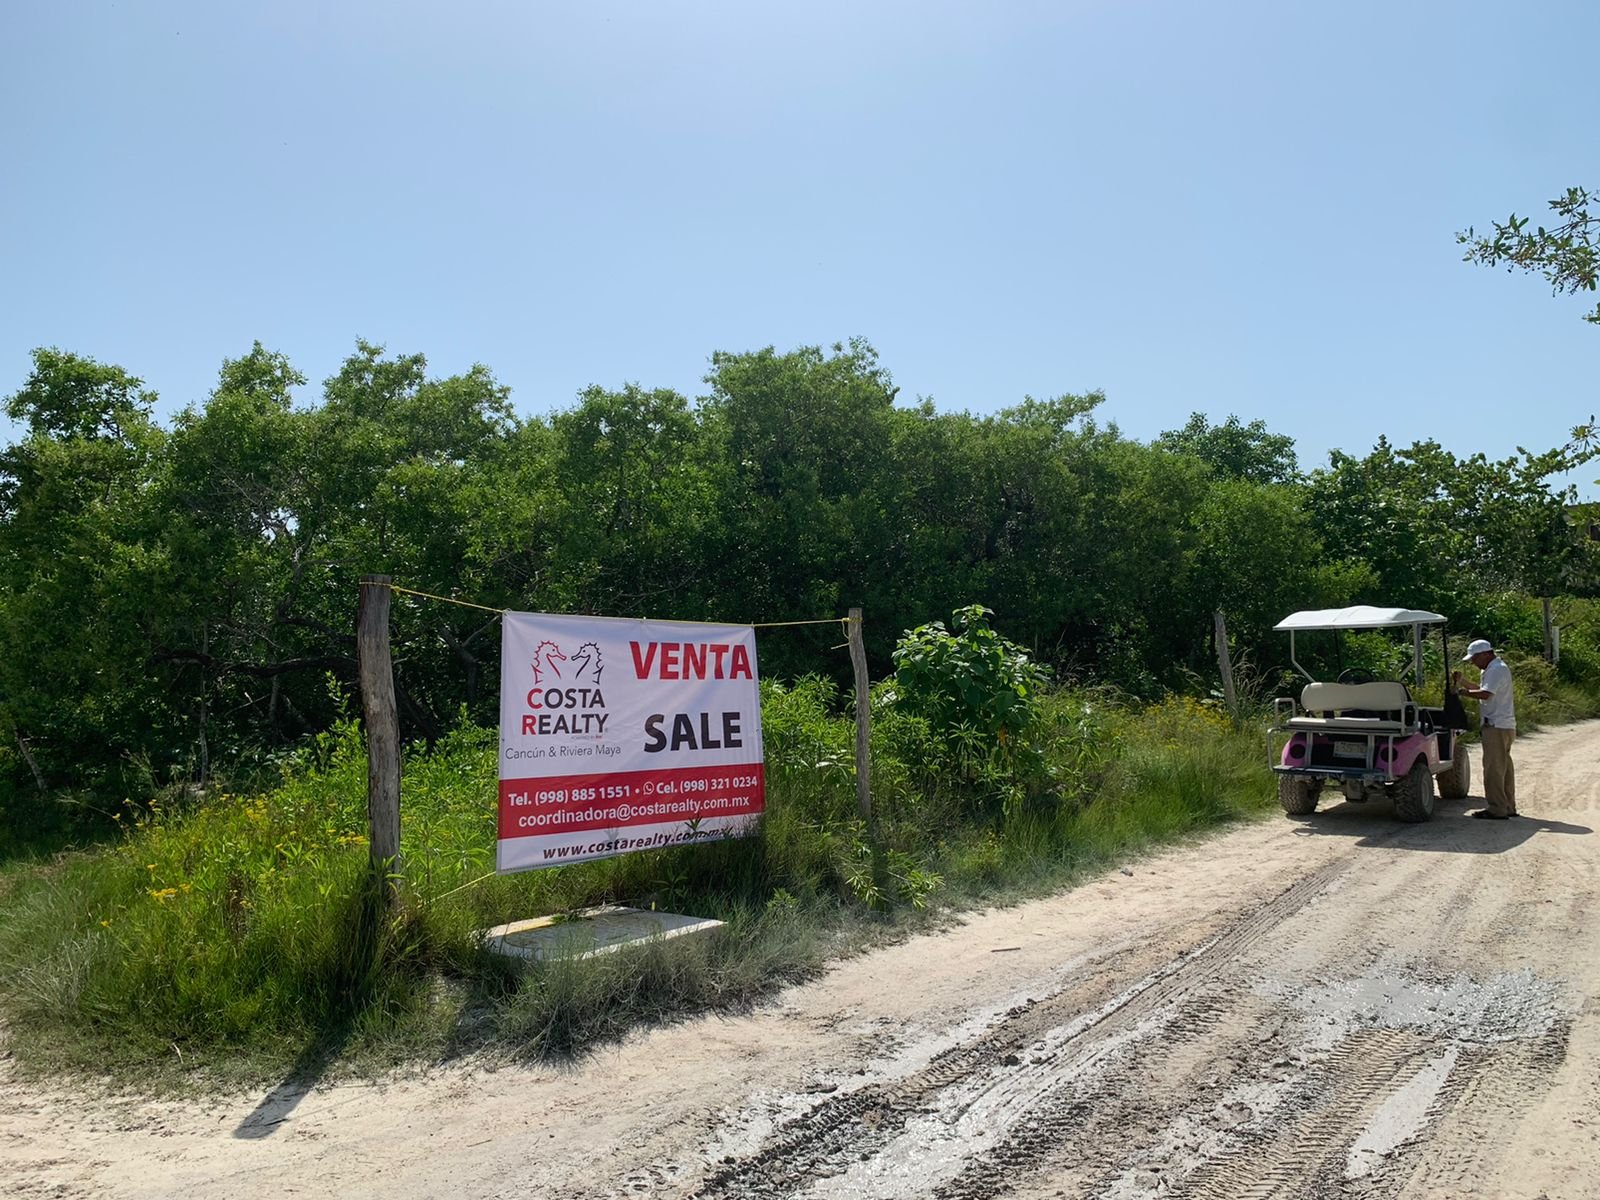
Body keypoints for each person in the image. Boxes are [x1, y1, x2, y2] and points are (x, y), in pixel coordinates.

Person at [1452, 639, 1517, 819]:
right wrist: (1462, 681)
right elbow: (1481, 689)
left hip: (1496, 726)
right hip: (1503, 725)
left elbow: (1485, 694)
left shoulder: (1496, 670)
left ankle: (1497, 809)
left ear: (1486, 654)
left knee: (1493, 769)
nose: (1473, 662)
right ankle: (1508, 806)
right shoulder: (1494, 669)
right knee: (1503, 767)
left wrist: (1460, 692)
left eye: (1474, 658)